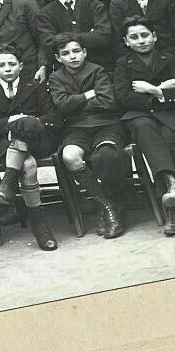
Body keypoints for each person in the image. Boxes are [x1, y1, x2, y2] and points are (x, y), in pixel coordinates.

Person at [113, 18, 175, 237]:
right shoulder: (122, 64)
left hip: (172, 116)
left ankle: (172, 194)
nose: (141, 41)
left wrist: (155, 91)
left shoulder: (170, 59)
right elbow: (123, 98)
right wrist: (164, 92)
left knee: (166, 144)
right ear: (126, 41)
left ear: (154, 36)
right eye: (134, 37)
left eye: (145, 35)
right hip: (140, 117)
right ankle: (174, 202)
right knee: (143, 128)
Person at [47, 35, 127, 238]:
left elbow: (108, 101)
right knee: (70, 156)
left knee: (106, 154)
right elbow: (61, 105)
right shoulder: (56, 78)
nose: (72, 56)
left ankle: (111, 207)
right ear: (58, 58)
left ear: (84, 52)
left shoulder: (97, 70)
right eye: (65, 53)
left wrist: (75, 103)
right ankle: (108, 206)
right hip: (76, 128)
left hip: (106, 124)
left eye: (76, 51)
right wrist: (89, 95)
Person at [0, 46, 59, 251]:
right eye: (1, 65)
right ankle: (39, 224)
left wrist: (27, 122)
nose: (7, 69)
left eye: (12, 64)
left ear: (21, 66)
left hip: (40, 140)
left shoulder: (35, 86)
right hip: (4, 143)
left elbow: (52, 117)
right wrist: (12, 122)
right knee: (28, 165)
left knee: (26, 126)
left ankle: (8, 182)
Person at [36, 0, 111, 61]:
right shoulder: (44, 14)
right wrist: (88, 35)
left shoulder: (95, 6)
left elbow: (103, 37)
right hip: (66, 69)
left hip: (99, 63)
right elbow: (48, 43)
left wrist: (61, 38)